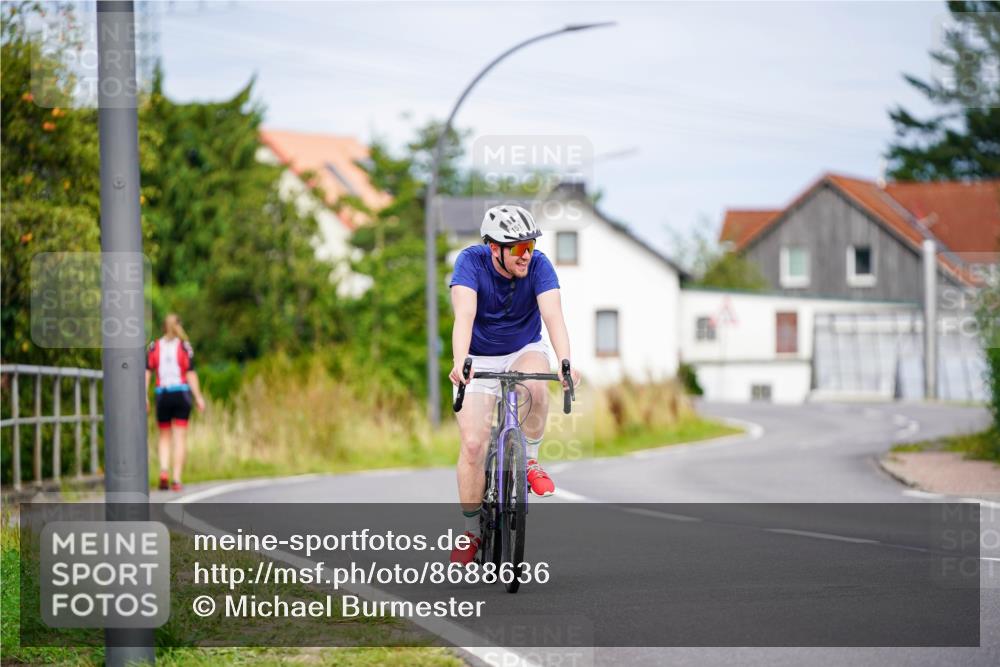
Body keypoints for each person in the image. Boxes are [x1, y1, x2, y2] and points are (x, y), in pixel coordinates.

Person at [448, 204, 580, 565]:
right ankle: (471, 532)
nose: (527, 255)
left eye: (531, 246)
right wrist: (461, 362)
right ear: (495, 248)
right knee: (474, 445)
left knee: (537, 385)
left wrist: (566, 363)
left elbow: (553, 317)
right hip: (478, 355)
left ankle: (531, 461)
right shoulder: (470, 263)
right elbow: (464, 316)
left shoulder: (539, 266)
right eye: (519, 248)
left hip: (523, 348)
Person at [145, 313, 205, 492]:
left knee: (164, 435)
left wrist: (145, 395)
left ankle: (164, 470)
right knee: (180, 437)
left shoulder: (154, 346)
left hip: (162, 394)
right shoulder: (185, 346)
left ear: (163, 327)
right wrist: (199, 397)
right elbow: (190, 373)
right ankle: (176, 478)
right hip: (181, 393)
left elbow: (147, 372)